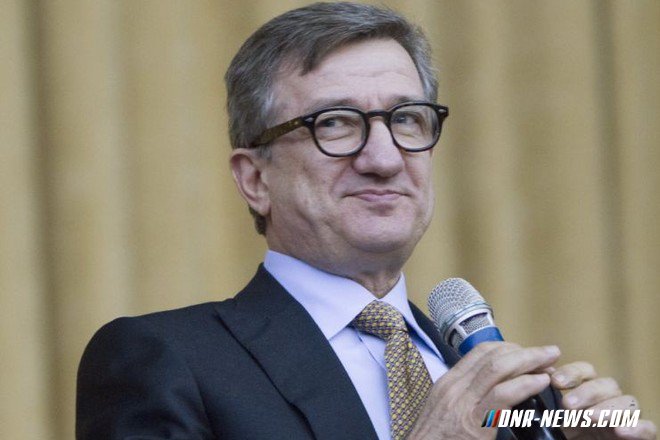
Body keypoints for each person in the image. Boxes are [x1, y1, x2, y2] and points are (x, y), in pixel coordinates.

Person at [76, 3, 656, 439]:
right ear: (255, 179)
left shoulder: (510, 392)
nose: (384, 158)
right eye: (334, 122)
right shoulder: (165, 361)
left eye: (406, 119)